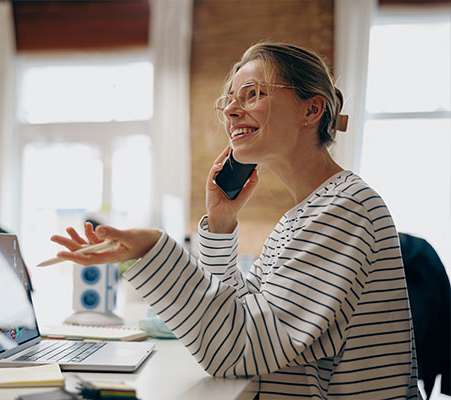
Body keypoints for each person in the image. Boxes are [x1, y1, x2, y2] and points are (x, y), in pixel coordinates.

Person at [51, 41, 420, 399]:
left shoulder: (345, 210)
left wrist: (154, 251)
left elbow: (237, 350)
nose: (230, 110)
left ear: (311, 111)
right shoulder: (305, 215)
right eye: (230, 99)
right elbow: (239, 315)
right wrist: (221, 223)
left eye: (253, 93)